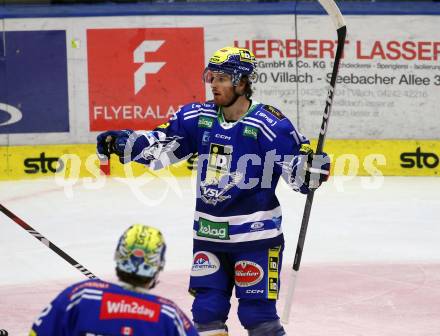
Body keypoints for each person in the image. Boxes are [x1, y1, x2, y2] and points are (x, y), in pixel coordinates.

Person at [96, 46, 330, 336]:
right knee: (207, 311)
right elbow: (161, 146)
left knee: (257, 315)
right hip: (209, 235)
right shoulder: (198, 116)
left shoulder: (269, 123)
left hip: (255, 237)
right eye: (211, 77)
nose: (214, 84)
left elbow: (298, 174)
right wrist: (126, 144)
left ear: (242, 82)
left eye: (222, 78)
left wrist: (311, 170)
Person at [29, 224, 199, 336]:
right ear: (159, 265)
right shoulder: (169, 315)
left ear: (119, 255)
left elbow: (37, 333)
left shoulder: (80, 296)